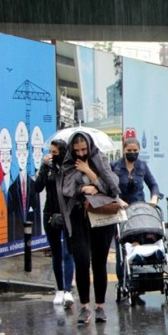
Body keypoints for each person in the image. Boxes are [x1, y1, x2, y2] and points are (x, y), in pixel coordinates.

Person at [61, 132, 121, 324]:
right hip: (79, 217)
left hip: (101, 216)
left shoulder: (101, 159)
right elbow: (66, 189)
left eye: (84, 150)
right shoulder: (69, 163)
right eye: (77, 150)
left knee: (99, 262)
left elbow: (112, 187)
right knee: (82, 261)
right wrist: (82, 189)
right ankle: (84, 306)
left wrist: (90, 173)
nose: (80, 154)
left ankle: (100, 307)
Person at [111, 137, 162, 293]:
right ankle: (122, 279)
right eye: (129, 151)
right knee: (123, 243)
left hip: (139, 209)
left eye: (135, 151)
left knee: (141, 237)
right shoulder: (115, 167)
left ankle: (139, 277)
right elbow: (109, 188)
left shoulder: (142, 167)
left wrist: (154, 198)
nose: (132, 153)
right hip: (121, 210)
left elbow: (153, 184)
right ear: (124, 150)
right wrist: (118, 200)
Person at [35, 139, 74, 308]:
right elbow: (37, 188)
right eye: (50, 152)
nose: (52, 155)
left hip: (67, 214)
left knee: (68, 252)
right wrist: (43, 167)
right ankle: (58, 289)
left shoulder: (70, 168)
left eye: (55, 152)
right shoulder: (48, 168)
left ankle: (67, 290)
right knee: (56, 253)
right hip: (50, 214)